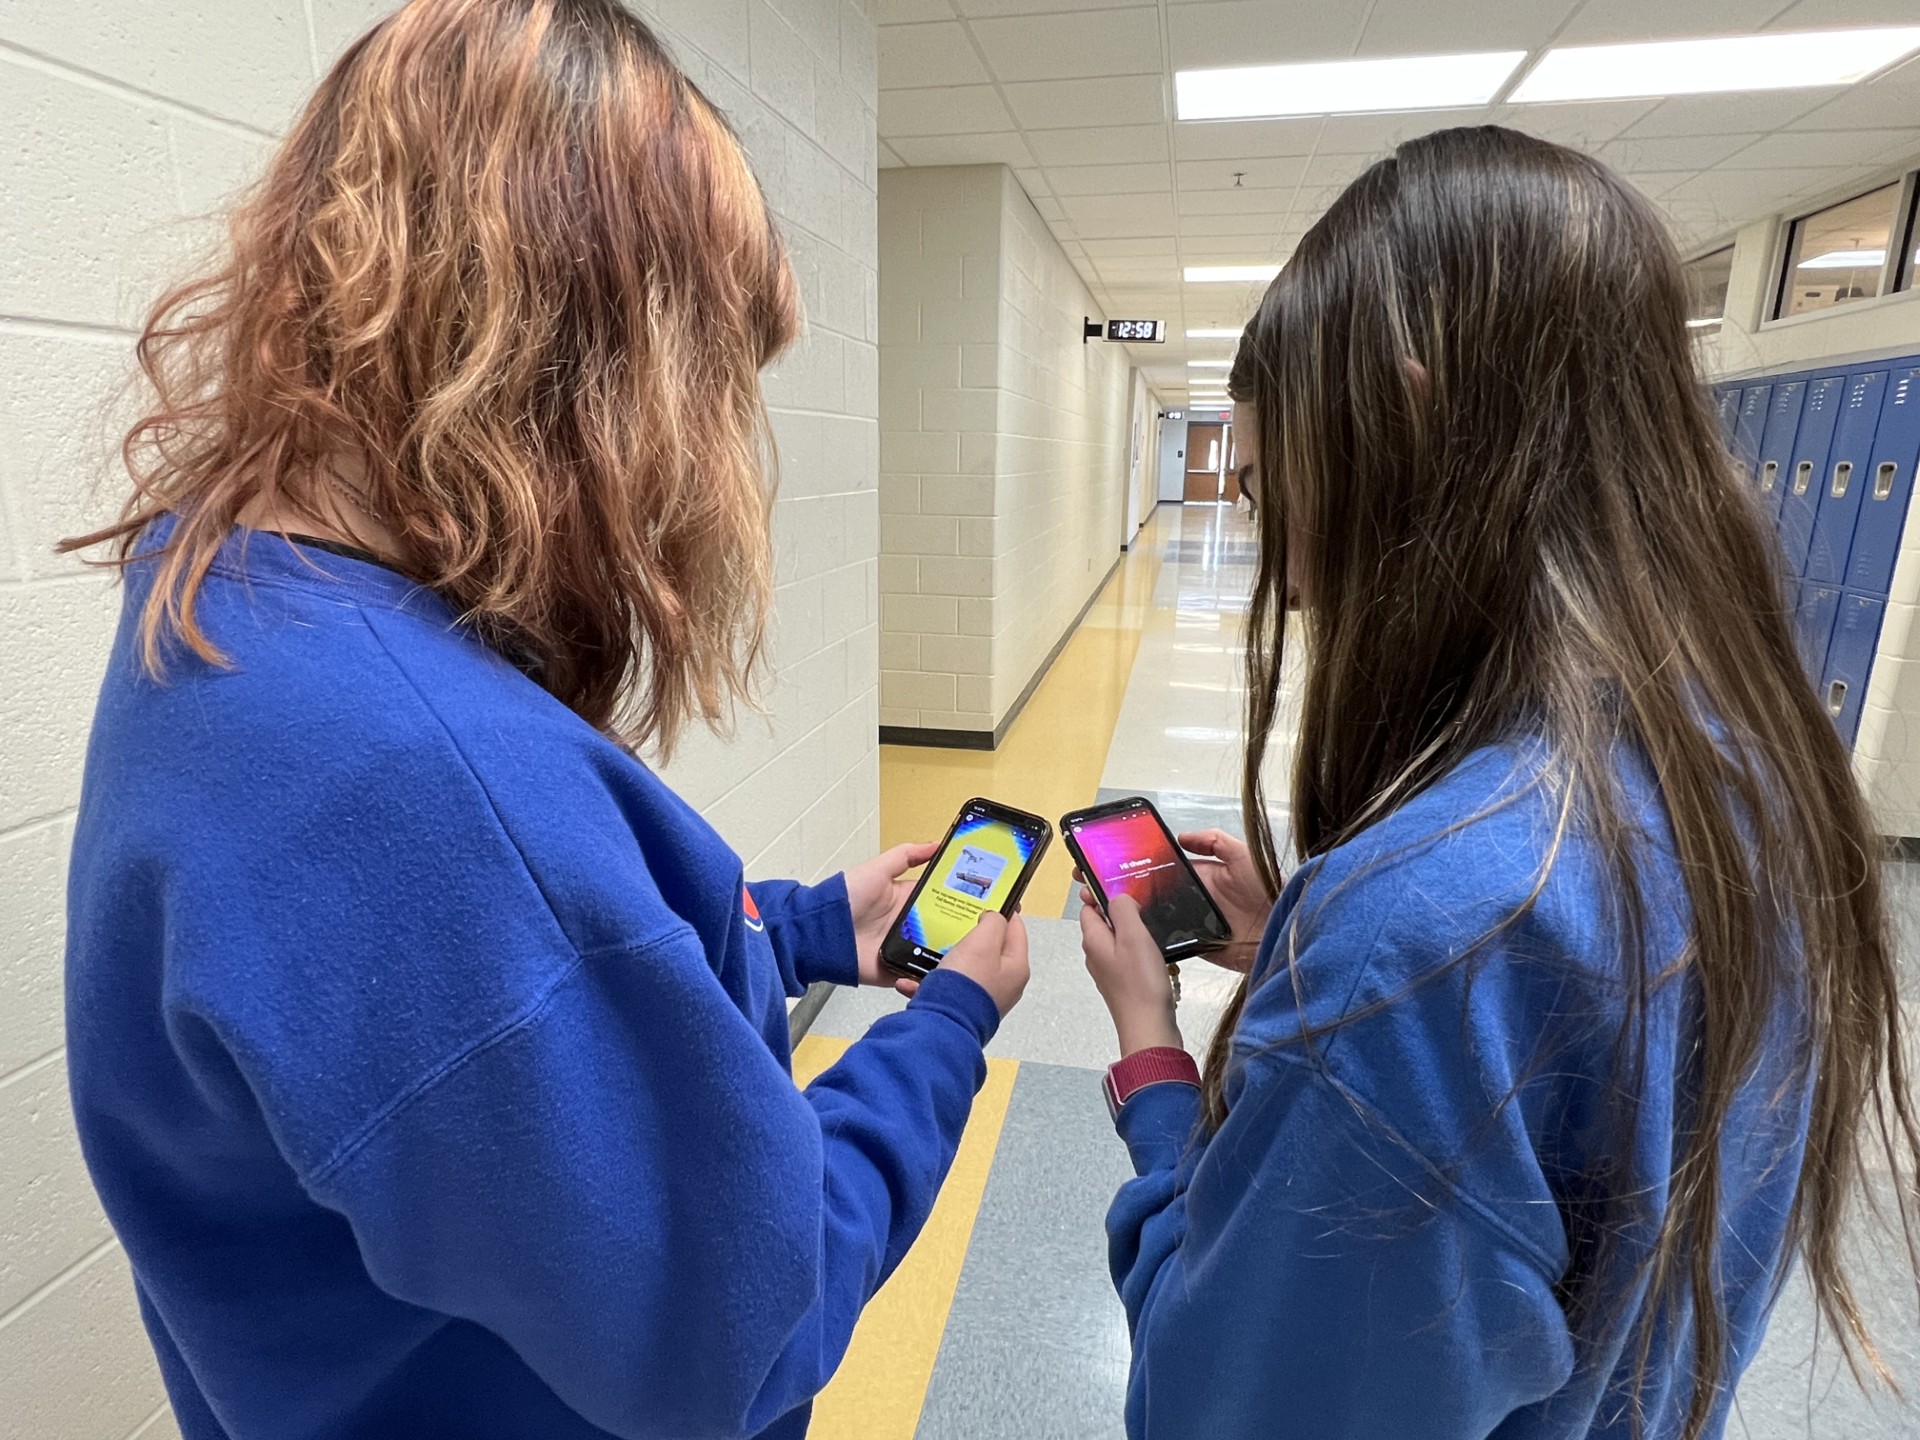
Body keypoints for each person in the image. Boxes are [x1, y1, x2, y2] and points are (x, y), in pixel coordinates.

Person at [62, 3, 1028, 1437]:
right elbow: (748, 1338)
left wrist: (807, 925)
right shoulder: (422, 785)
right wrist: (946, 1027)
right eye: (715, 377)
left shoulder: (221, 607)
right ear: (598, 354)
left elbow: (491, 1017)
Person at [1078, 125, 1920, 1440]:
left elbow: (1218, 1405)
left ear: (1406, 417)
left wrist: (1153, 1062)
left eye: (1273, 478)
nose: (1277, 554)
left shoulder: (1425, 933)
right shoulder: (1740, 776)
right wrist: (1305, 933)